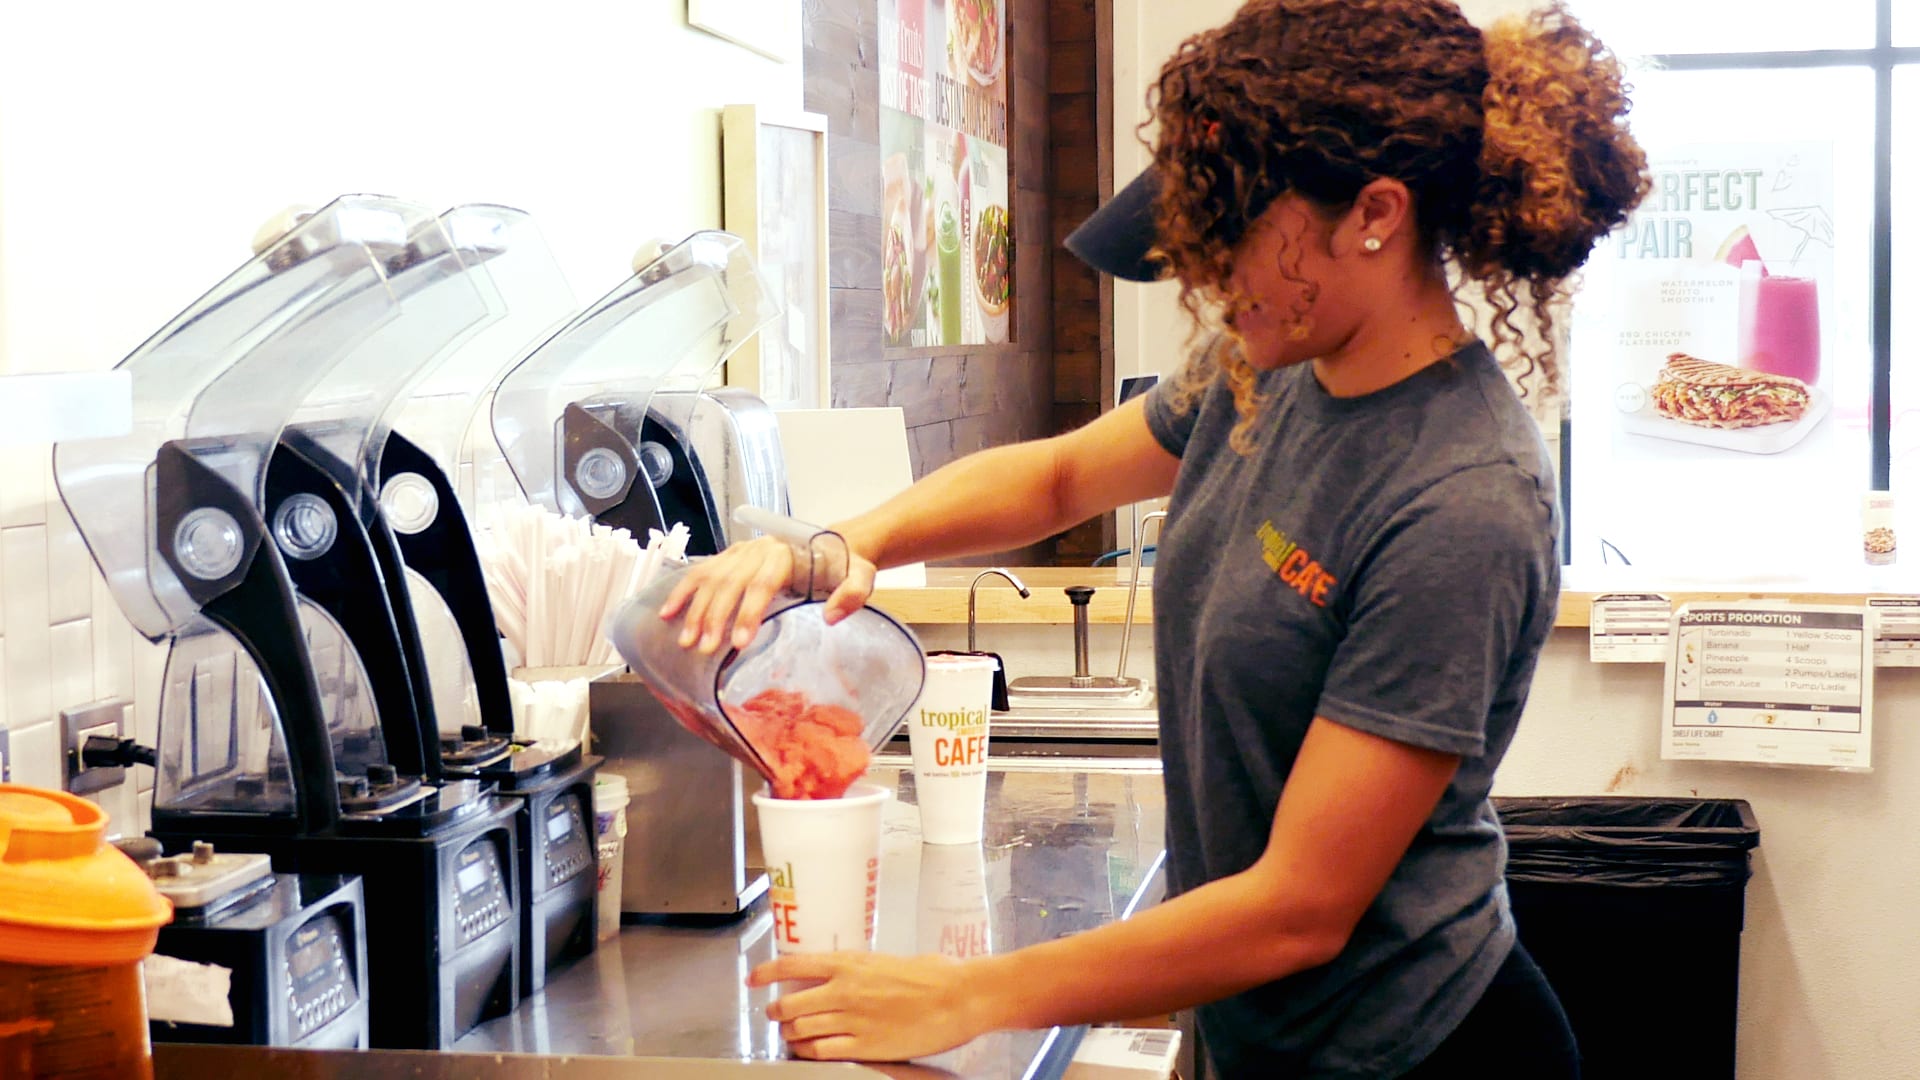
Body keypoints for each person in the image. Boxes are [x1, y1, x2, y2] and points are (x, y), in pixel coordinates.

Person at [661, 1, 1649, 1074]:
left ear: (1377, 212)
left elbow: (1299, 910)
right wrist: (835, 546)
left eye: (1232, 238)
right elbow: (1060, 474)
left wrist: (967, 995)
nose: (1204, 277)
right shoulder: (1266, 361)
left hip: (1416, 1049)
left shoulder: (1464, 499)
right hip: (1260, 1034)